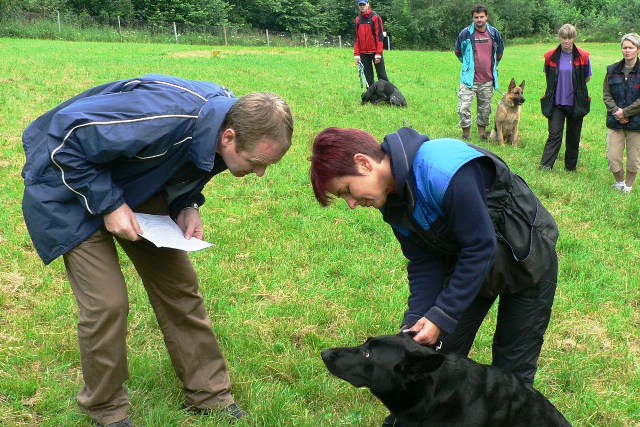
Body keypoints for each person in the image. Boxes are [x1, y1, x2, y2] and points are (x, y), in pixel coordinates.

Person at [21, 74, 294, 427]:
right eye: (259, 162)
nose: (259, 174)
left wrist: (187, 204)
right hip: (64, 185)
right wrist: (109, 204)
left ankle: (209, 395)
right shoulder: (165, 116)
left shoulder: (226, 122)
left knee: (180, 287)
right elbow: (68, 135)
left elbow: (188, 163)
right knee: (107, 303)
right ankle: (106, 409)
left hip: (131, 181)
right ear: (229, 137)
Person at [310, 127, 559, 427]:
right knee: (430, 361)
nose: (351, 204)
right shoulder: (393, 201)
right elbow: (423, 261)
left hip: (527, 260)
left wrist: (441, 315)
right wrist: (417, 319)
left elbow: (480, 246)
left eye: (347, 191)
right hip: (470, 271)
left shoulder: (442, 170)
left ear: (364, 163)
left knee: (512, 380)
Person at [539, 24, 592, 172]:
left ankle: (570, 167)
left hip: (576, 103)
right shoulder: (550, 56)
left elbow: (586, 78)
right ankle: (545, 166)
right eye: (564, 37)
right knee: (554, 135)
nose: (567, 41)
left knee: (573, 137)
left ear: (574, 38)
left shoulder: (584, 56)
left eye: (570, 38)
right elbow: (549, 77)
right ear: (559, 37)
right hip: (556, 103)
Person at [455, 4, 504, 141]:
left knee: (485, 109)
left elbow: (499, 53)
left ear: (486, 17)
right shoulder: (465, 33)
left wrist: (492, 66)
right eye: (476, 17)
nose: (479, 20)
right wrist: (468, 65)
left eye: (481, 17)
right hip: (468, 79)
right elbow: (458, 52)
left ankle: (482, 134)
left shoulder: (494, 33)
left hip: (487, 79)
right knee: (464, 107)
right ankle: (466, 134)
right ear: (473, 18)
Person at [603, 33, 640, 193]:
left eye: (630, 47)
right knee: (612, 157)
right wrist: (616, 112)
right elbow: (606, 94)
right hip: (615, 121)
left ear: (637, 49)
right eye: (624, 47)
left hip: (636, 122)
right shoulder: (612, 70)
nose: (627, 50)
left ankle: (628, 187)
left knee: (634, 159)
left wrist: (625, 112)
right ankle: (620, 183)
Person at [354, 0, 388, 88]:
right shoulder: (358, 20)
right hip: (363, 53)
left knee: (382, 75)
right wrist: (357, 54)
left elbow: (379, 36)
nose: (362, 7)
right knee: (368, 77)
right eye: (360, 5)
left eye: (364, 4)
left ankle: (388, 95)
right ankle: (371, 96)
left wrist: (378, 53)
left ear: (368, 4)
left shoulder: (375, 18)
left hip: (375, 52)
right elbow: (357, 38)